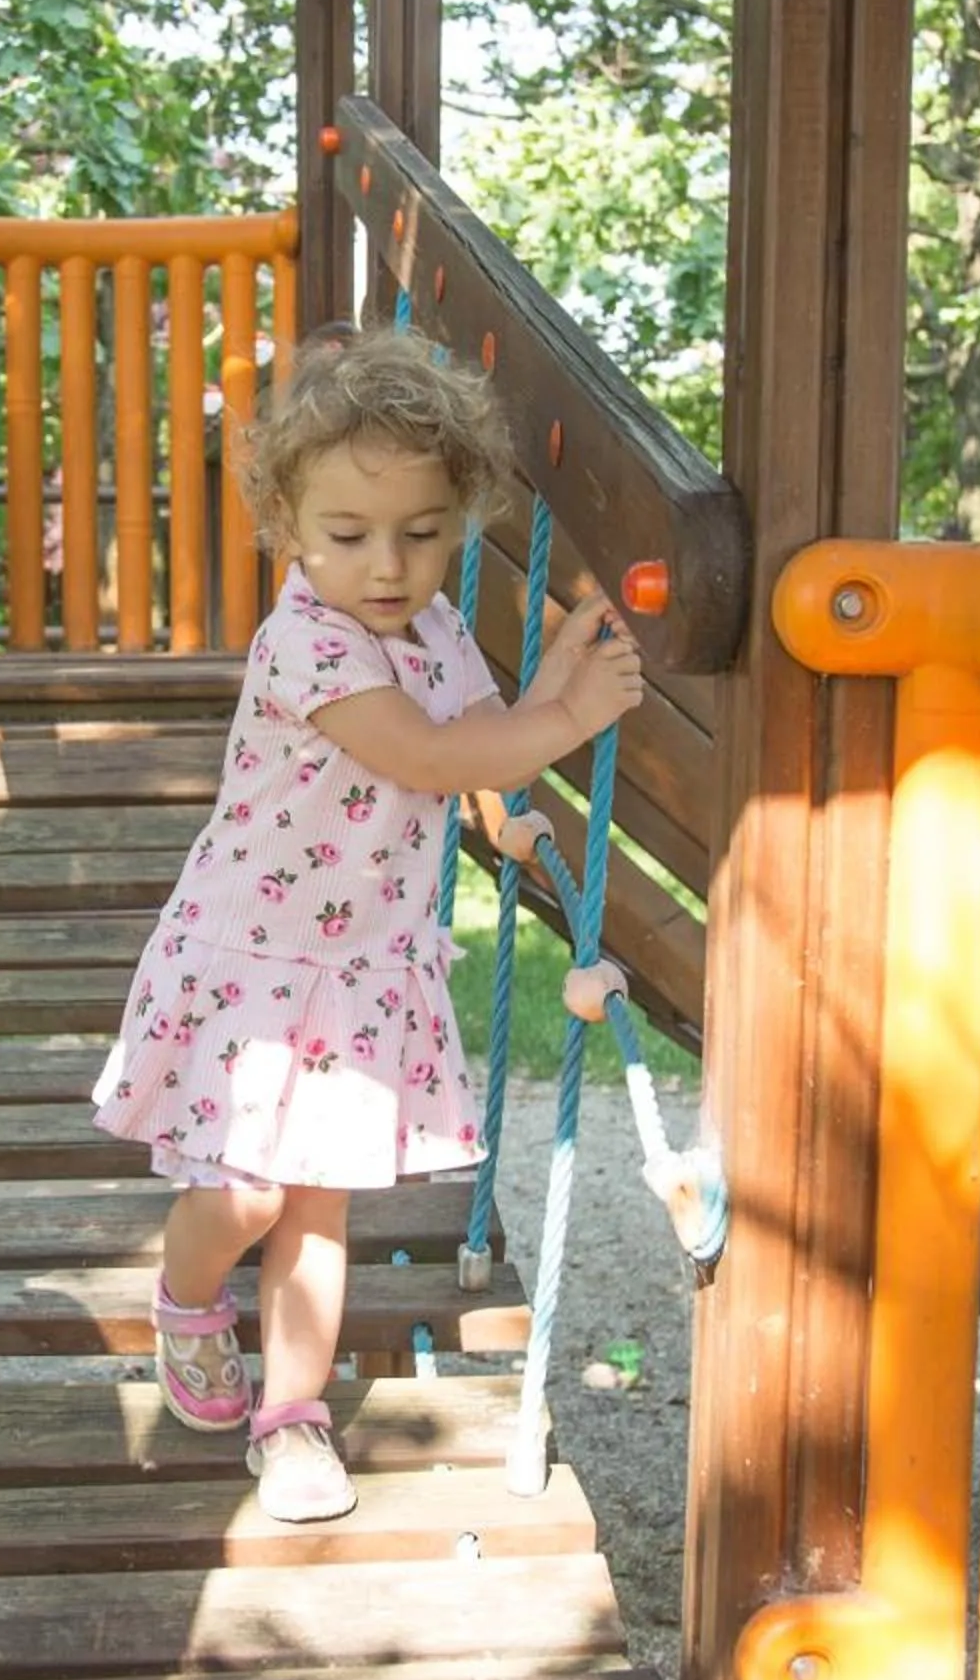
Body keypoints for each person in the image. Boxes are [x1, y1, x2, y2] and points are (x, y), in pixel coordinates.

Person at [91, 328, 645, 1521]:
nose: (387, 566)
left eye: (424, 531)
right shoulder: (308, 640)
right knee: (243, 1198)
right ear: (288, 527)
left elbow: (484, 722)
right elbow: (434, 756)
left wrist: (554, 672)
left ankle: (291, 1421)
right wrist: (571, 723)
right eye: (348, 537)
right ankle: (186, 1301)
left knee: (319, 1204)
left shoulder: (432, 628)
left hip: (355, 968)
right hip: (253, 963)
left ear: (461, 517)